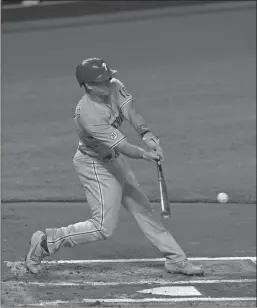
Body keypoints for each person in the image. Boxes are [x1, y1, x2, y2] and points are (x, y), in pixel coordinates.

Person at [25, 57, 204, 276]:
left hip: (114, 159)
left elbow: (131, 113)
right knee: (102, 227)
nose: (109, 82)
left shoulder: (115, 86)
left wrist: (147, 135)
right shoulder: (88, 114)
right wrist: (146, 155)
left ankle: (176, 259)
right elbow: (125, 147)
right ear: (89, 85)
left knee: (143, 210)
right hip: (94, 165)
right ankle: (45, 242)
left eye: (109, 76)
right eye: (103, 80)